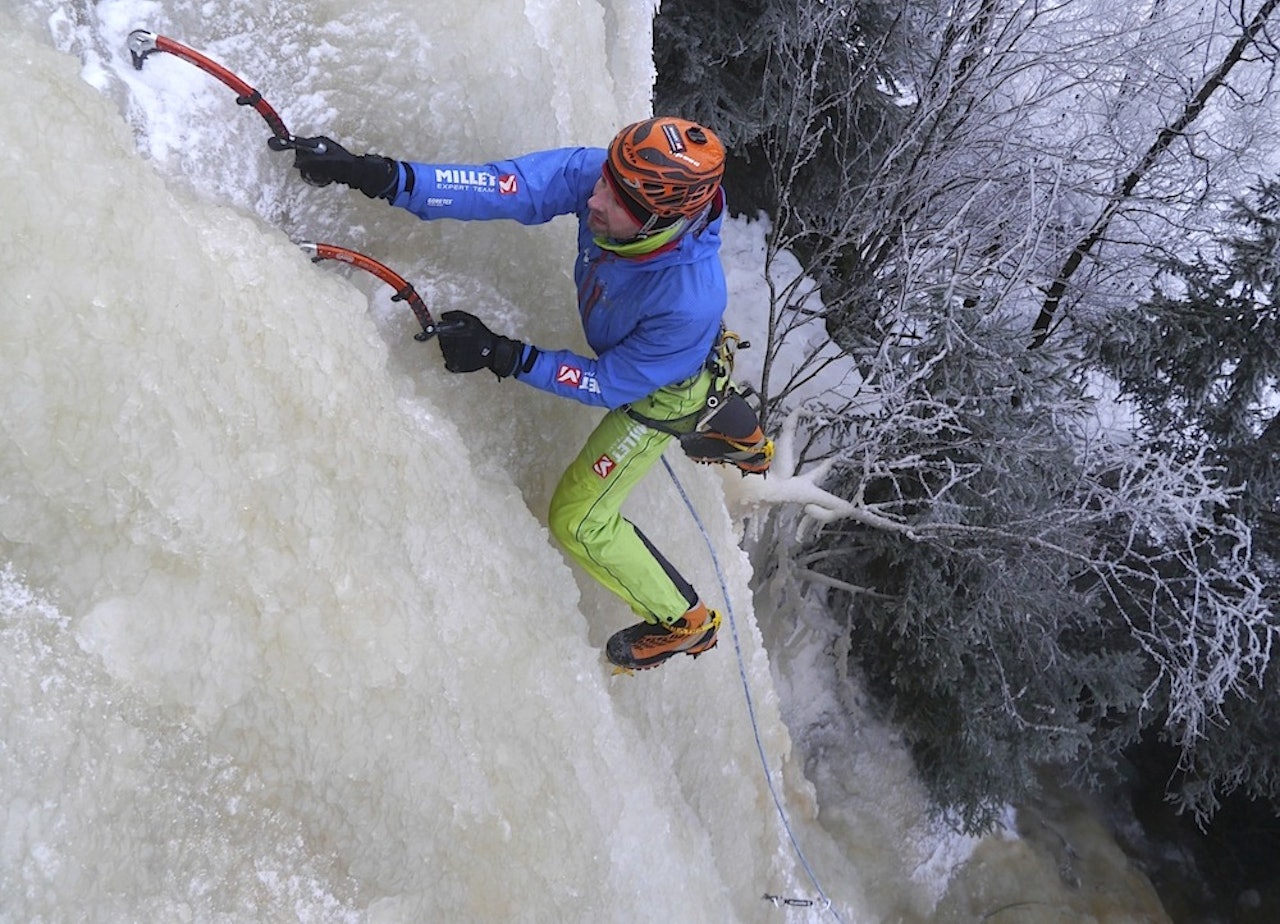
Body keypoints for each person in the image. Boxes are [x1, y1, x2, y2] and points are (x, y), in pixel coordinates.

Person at [278, 117, 733, 671]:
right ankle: (740, 434)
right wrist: (377, 175)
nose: (595, 199)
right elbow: (502, 187)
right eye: (602, 182)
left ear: (661, 221)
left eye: (616, 201)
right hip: (664, 351)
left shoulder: (688, 300)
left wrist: (503, 354)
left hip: (661, 393)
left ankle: (684, 622)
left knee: (577, 520)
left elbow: (608, 383)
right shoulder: (614, 178)